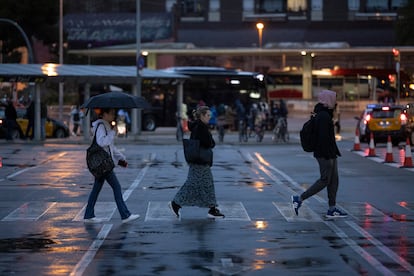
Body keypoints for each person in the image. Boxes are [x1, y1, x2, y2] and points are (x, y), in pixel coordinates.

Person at [292, 90, 347, 218]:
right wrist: (328, 155)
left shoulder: (324, 113)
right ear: (328, 100)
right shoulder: (323, 116)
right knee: (324, 180)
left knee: (334, 181)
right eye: (333, 98)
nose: (335, 101)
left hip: (330, 153)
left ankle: (332, 208)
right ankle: (299, 199)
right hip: (325, 154)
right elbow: (323, 138)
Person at [84, 108, 140, 224]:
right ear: (104, 114)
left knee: (96, 189)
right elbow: (102, 143)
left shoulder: (105, 126)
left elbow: (110, 148)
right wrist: (112, 132)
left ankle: (88, 215)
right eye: (111, 113)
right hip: (104, 164)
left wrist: (121, 158)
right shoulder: (101, 126)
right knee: (116, 187)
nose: (113, 115)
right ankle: (125, 215)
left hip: (103, 164)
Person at [170, 105, 225, 219]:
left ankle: (212, 208)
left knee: (206, 184)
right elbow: (208, 143)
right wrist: (210, 140)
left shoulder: (197, 125)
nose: (210, 117)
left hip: (198, 160)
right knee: (193, 184)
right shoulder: (201, 127)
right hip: (200, 161)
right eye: (208, 115)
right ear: (202, 116)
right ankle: (175, 204)